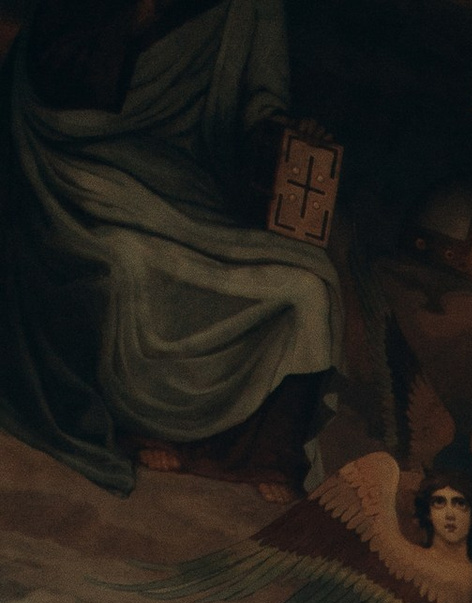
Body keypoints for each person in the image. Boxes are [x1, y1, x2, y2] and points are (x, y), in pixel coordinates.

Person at [0, 0, 341, 498]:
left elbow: (258, 111)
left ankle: (257, 454)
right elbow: (48, 73)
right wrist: (131, 20)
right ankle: (140, 428)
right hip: (76, 167)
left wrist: (285, 136)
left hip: (186, 182)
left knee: (310, 283)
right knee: (127, 263)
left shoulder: (255, 5)